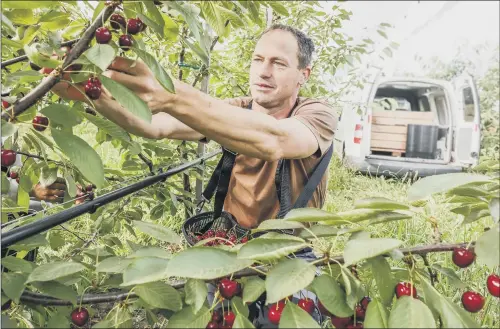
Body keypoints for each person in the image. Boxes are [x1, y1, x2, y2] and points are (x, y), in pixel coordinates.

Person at [52, 24, 337, 230]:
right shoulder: (236, 109)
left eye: (278, 63)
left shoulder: (317, 115)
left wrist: (171, 94)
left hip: (288, 255)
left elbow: (275, 141)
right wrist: (94, 92)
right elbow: (155, 126)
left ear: (303, 75)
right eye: (258, 60)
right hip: (228, 242)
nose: (264, 71)